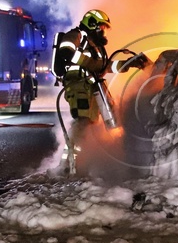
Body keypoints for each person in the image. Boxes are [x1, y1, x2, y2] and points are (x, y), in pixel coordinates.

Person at [54, 9, 148, 173]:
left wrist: (129, 63)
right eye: (102, 27)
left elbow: (104, 67)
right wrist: (90, 63)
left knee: (92, 123)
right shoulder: (76, 35)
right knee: (82, 123)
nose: (103, 31)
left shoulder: (94, 47)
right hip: (78, 86)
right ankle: (67, 165)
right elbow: (66, 51)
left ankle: (80, 161)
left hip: (91, 87)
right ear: (92, 24)